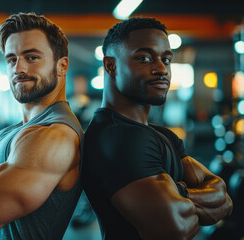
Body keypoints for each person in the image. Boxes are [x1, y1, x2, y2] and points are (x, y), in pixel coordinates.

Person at [82, 17, 233, 240]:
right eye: (144, 58)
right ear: (110, 66)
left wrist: (178, 193)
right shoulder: (118, 137)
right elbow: (174, 229)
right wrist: (188, 196)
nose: (161, 69)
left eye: (166, 59)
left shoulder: (162, 135)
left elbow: (223, 199)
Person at [0, 13, 84, 240]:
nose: (19, 68)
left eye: (32, 58)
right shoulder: (6, 135)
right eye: (11, 59)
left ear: (62, 66)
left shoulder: (54, 136)